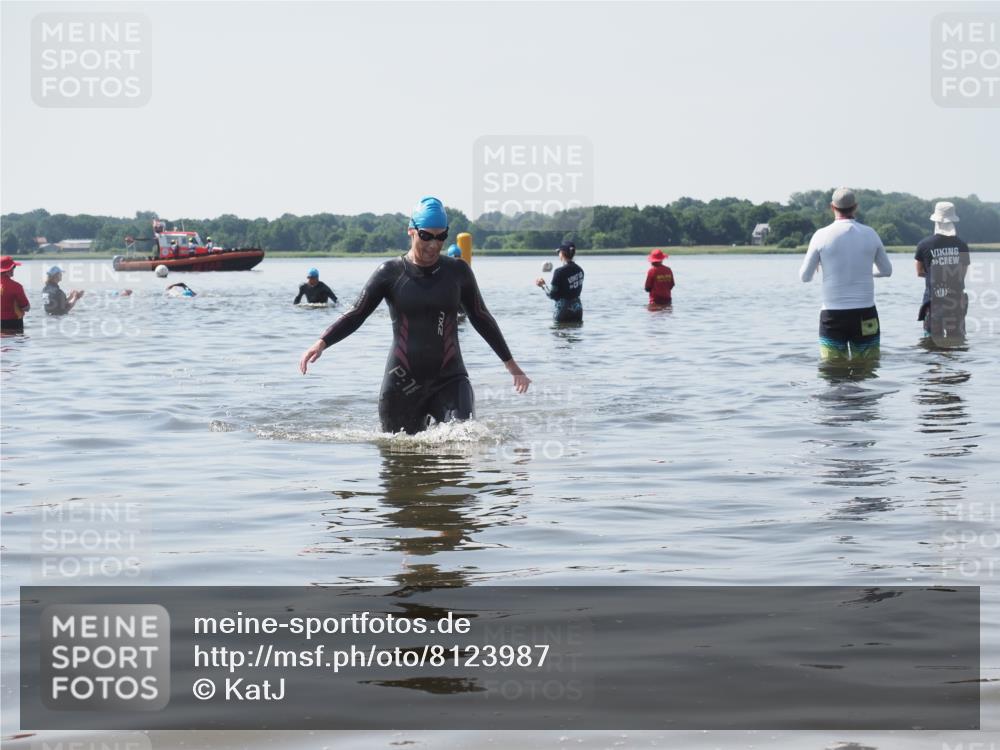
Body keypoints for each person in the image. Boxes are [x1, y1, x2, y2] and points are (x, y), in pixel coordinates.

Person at [299, 196, 530, 434]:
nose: (434, 244)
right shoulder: (390, 273)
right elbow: (357, 313)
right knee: (396, 456)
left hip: (450, 380)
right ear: (411, 231)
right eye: (427, 236)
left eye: (441, 236)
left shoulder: (458, 272)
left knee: (465, 439)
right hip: (402, 382)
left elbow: (481, 316)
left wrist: (510, 364)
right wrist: (322, 342)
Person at [799, 188, 892, 361]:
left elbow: (805, 277)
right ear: (855, 207)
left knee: (833, 371)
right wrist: (865, 271)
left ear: (831, 207)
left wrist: (821, 264)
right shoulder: (870, 233)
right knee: (867, 369)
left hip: (833, 316)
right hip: (866, 314)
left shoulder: (821, 236)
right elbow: (887, 271)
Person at [915, 201, 970, 341]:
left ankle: (937, 363)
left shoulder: (923, 245)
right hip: (955, 303)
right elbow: (961, 275)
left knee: (931, 342)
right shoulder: (962, 245)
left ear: (936, 221)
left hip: (933, 302)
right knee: (957, 342)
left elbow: (919, 272)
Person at [535, 242, 584, 322]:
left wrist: (543, 285)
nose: (558, 255)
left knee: (559, 333)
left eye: (559, 252)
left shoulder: (559, 272)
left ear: (562, 253)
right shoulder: (580, 270)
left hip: (563, 311)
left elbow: (552, 295)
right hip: (578, 310)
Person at [0, 256, 30, 333]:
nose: (14, 269)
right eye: (14, 267)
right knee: (14, 343)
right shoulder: (16, 286)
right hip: (13, 324)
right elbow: (26, 307)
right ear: (9, 269)